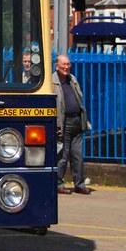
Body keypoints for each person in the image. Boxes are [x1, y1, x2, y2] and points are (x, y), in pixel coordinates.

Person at [53, 54, 92, 195]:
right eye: (63, 64)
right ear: (56, 65)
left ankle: (79, 184)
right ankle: (58, 184)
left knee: (78, 155)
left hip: (77, 121)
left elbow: (79, 100)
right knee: (62, 156)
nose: (66, 67)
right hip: (63, 123)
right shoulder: (52, 82)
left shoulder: (72, 79)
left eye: (68, 64)